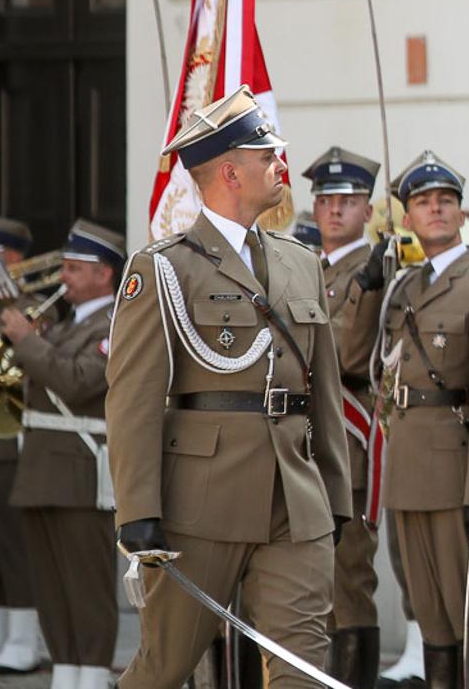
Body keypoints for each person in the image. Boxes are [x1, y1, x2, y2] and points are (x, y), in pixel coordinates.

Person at [107, 86, 351, 688]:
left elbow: (324, 389)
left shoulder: (300, 263)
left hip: (293, 502)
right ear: (230, 171)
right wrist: (138, 511)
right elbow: (133, 398)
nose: (281, 166)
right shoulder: (165, 267)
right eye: (268, 155)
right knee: (164, 669)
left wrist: (336, 496)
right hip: (200, 503)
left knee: (303, 668)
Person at [339, 151, 469, 688]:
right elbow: (351, 359)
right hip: (405, 469)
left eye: (446, 201)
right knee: (430, 619)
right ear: (407, 218)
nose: (435, 210)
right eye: (423, 202)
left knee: (467, 617)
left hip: (456, 471)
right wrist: (367, 285)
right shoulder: (398, 287)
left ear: (461, 215)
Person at [0, 220, 124, 689]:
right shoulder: (64, 322)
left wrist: (26, 340)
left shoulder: (115, 324)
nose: (63, 276)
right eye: (65, 267)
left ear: (103, 275)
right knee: (51, 586)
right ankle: (67, 670)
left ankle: (90, 672)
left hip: (81, 474)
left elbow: (76, 381)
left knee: (85, 583)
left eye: (74, 268)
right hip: (42, 470)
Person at [299, 146, 389, 688]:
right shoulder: (303, 265)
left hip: (345, 442)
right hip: (298, 443)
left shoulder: (376, 267)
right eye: (327, 200)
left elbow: (350, 356)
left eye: (348, 201)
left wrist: (371, 287)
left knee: (348, 580)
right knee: (307, 584)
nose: (335, 211)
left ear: (368, 211)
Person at [0, 214, 46, 676]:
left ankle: (25, 639)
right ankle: (0, 634)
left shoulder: (32, 306)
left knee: (16, 546)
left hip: (13, 438)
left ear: (11, 257)